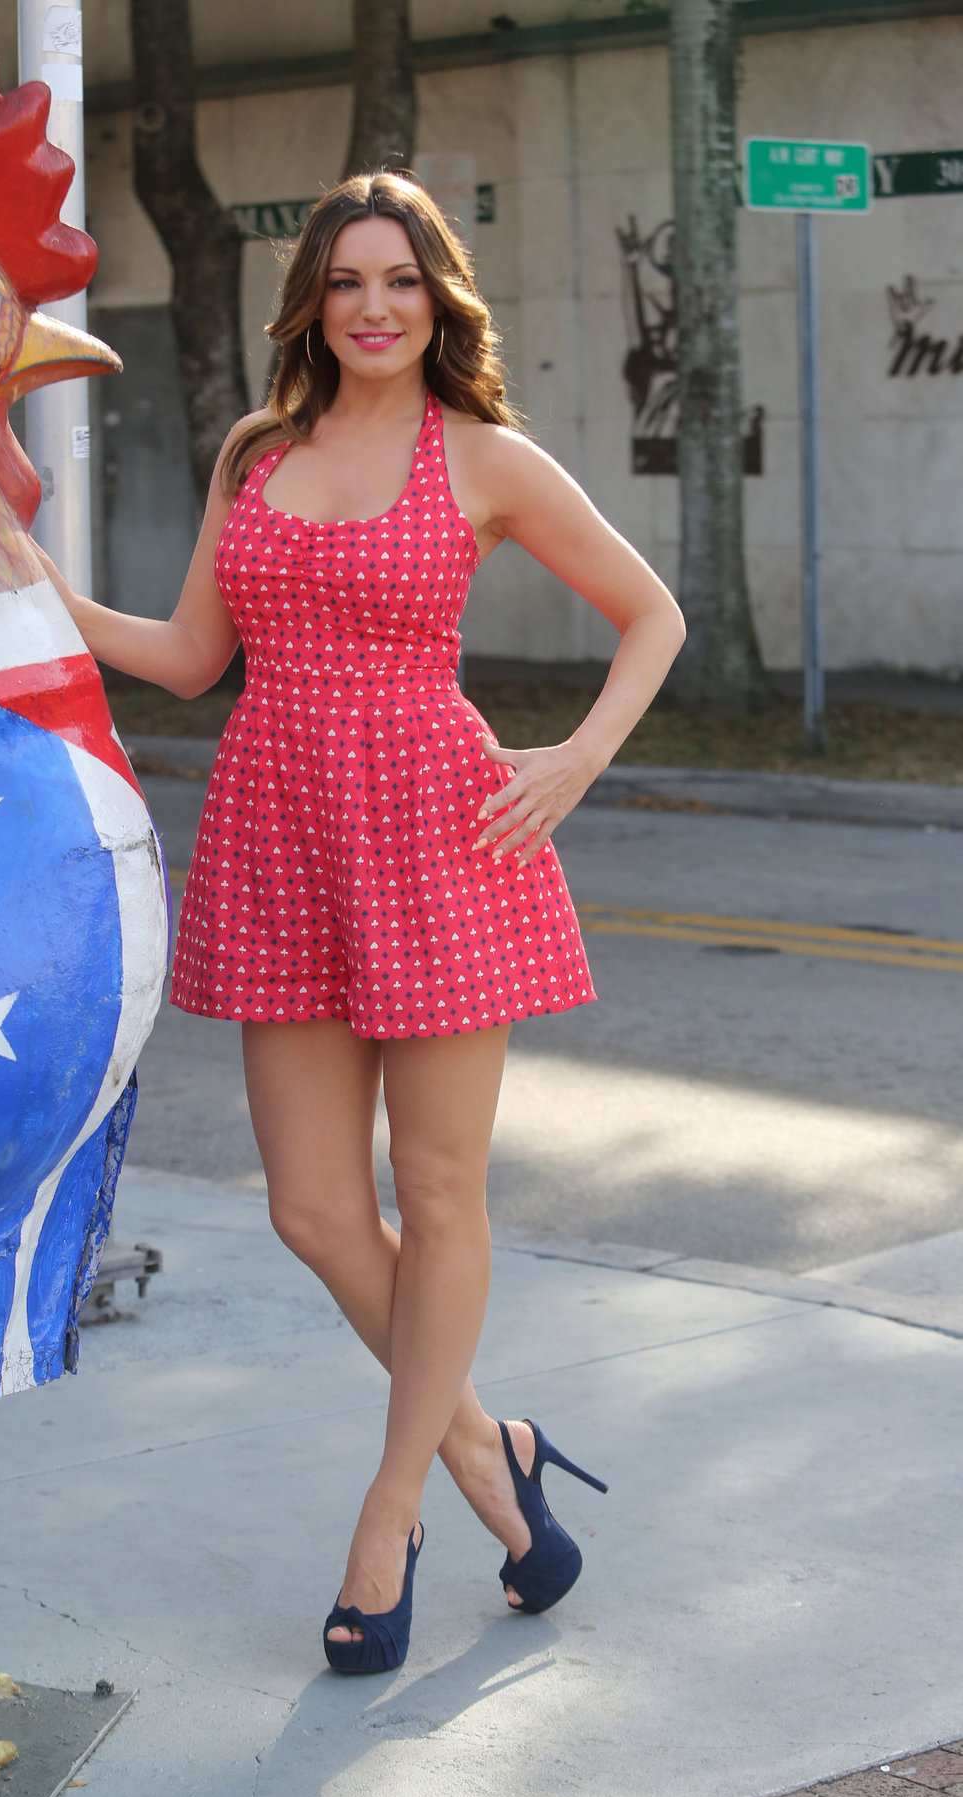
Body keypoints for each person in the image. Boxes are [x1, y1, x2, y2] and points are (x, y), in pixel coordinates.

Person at [37, 172, 685, 1675]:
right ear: (313, 305)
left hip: (441, 835)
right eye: (347, 282)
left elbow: (650, 612)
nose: (375, 306)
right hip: (282, 835)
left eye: (401, 280)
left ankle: (394, 1510)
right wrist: (42, 590)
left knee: (441, 1196)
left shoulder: (486, 457)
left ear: (438, 297)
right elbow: (196, 657)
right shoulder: (258, 451)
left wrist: (574, 760)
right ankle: (493, 1446)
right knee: (317, 1210)